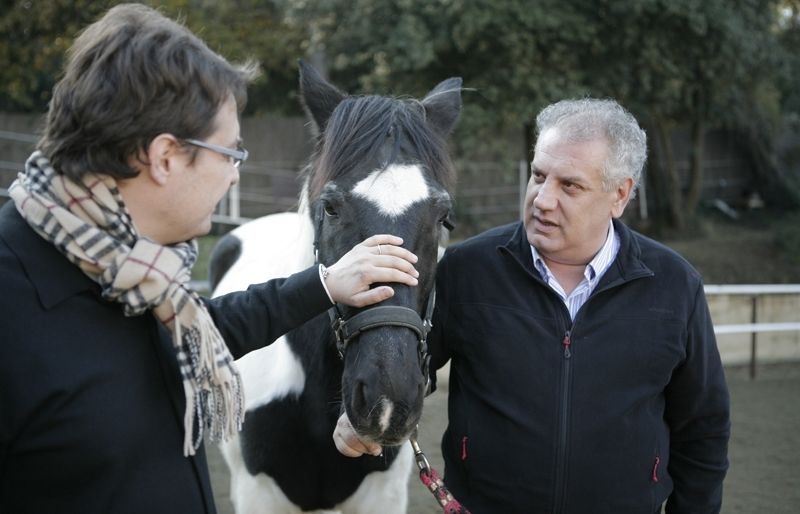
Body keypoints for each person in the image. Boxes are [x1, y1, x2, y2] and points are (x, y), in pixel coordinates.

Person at [0, 4, 420, 514]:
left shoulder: (124, 269)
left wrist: (325, 286)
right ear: (165, 157)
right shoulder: (17, 301)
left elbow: (195, 330)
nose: (235, 176)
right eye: (230, 154)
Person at [334, 98, 731, 513]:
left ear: (620, 194)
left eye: (569, 186)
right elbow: (408, 360)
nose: (542, 199)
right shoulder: (467, 270)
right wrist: (358, 413)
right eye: (539, 176)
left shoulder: (674, 286)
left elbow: (703, 427)